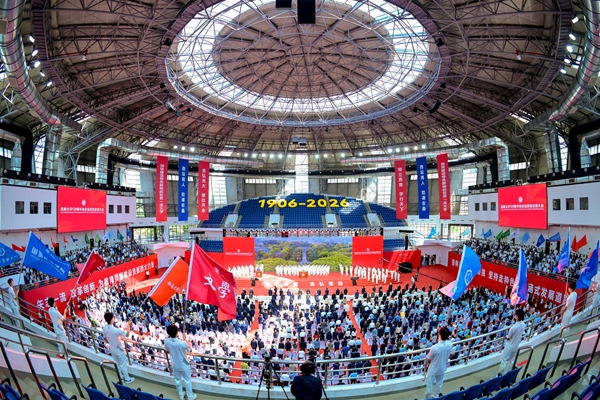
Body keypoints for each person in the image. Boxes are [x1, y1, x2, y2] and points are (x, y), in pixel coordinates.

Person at [164, 324, 197, 400]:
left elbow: (166, 350)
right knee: (187, 380)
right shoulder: (182, 343)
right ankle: (190, 396)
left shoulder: (167, 342)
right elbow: (190, 350)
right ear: (177, 333)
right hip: (184, 364)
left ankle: (181, 395)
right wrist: (185, 339)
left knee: (177, 380)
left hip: (175, 364)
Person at [102, 312, 135, 384]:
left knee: (117, 364)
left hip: (112, 349)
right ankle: (127, 379)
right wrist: (129, 325)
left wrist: (111, 342)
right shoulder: (116, 330)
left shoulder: (105, 328)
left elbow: (105, 338)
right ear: (112, 319)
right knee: (123, 365)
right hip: (119, 349)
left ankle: (121, 377)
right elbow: (127, 335)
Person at [423, 326, 452, 399]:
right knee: (439, 385)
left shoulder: (434, 347)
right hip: (442, 368)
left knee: (429, 386)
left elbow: (428, 359)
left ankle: (426, 398)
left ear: (439, 335)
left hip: (433, 369)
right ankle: (436, 397)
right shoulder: (450, 344)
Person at [499, 308, 525, 374]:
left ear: (517, 316)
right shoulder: (523, 324)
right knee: (512, 360)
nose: (514, 315)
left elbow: (508, 337)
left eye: (515, 314)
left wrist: (505, 337)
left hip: (509, 346)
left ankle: (501, 374)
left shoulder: (513, 327)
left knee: (504, 360)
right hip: (516, 346)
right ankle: (509, 373)